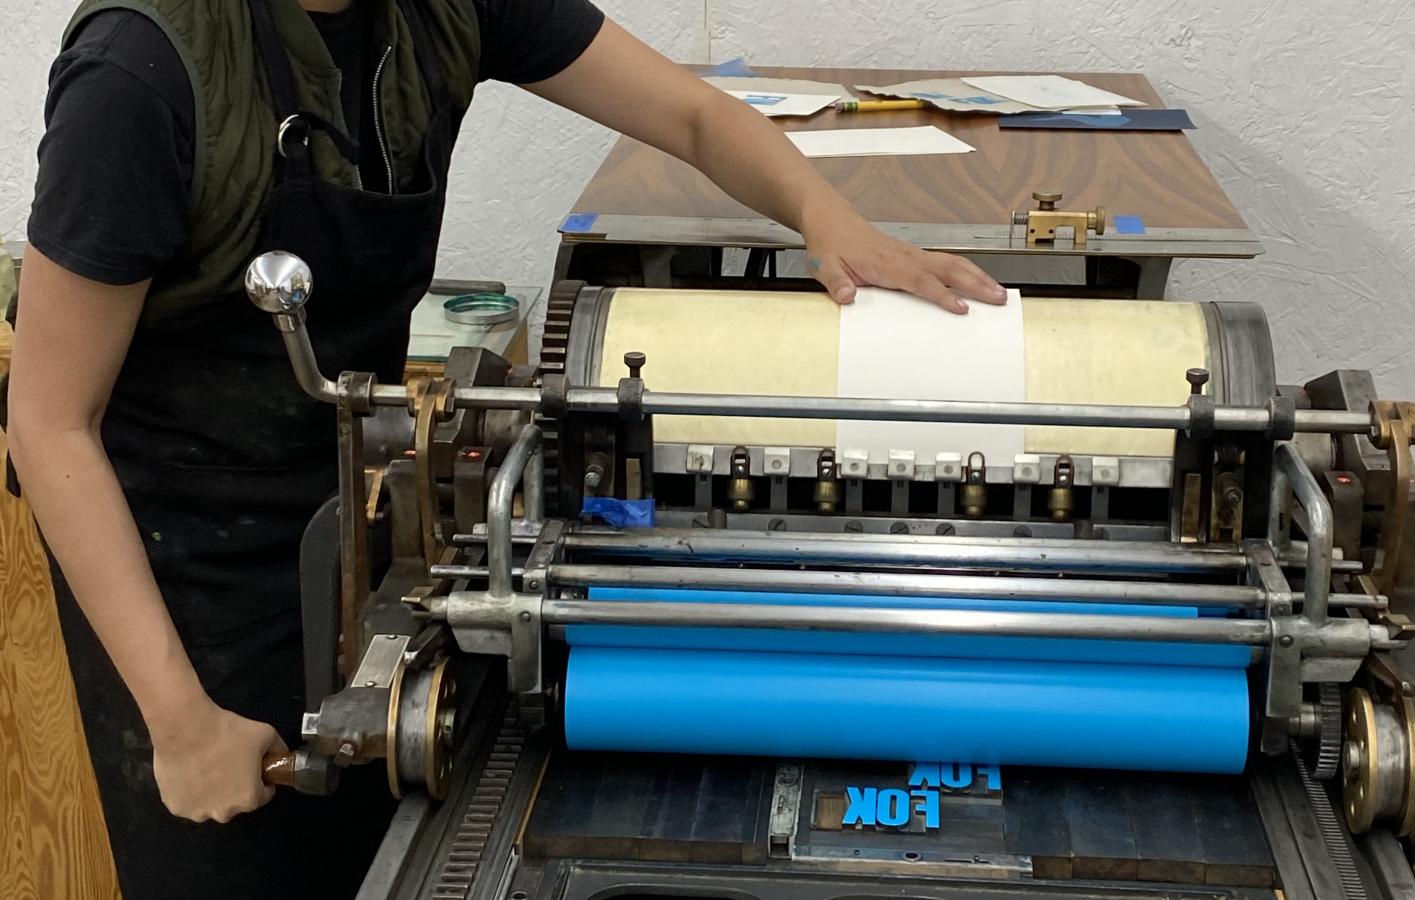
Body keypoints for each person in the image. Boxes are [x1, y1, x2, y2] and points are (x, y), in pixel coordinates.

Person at [5, 0, 1007, 896]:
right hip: (181, 576)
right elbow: (50, 424)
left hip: (356, 518)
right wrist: (178, 720)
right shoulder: (140, 74)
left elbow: (695, 116)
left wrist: (828, 219)